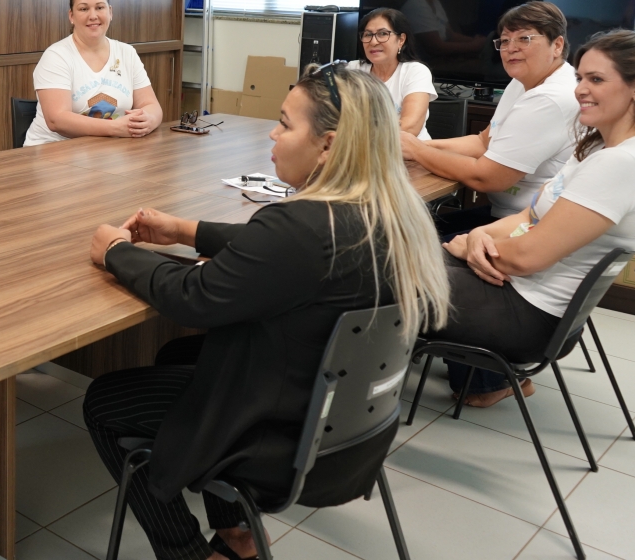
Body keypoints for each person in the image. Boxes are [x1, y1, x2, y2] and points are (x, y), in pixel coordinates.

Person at [83, 63, 450, 560]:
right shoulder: (390, 215)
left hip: (275, 436)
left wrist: (116, 252)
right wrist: (185, 230)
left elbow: (191, 296)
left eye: (284, 124)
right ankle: (237, 533)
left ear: (328, 144)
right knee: (176, 354)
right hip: (346, 427)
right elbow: (273, 248)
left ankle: (186, 551)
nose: (273, 135)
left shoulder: (301, 226)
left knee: (102, 401)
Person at [427, 30, 635, 407]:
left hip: (528, 315)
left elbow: (527, 257)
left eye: (596, 79)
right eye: (580, 77)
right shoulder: (597, 145)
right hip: (519, 294)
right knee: (398, 259)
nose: (581, 89)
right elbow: (530, 215)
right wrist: (479, 235)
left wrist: (470, 245)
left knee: (382, 274)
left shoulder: (625, 163)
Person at [401, 1, 580, 235]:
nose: (511, 48)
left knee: (401, 242)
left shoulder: (551, 98)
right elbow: (483, 142)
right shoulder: (522, 81)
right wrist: (417, 146)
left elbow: (486, 177)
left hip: (532, 227)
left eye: (524, 39)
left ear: (557, 45)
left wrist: (417, 151)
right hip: (508, 214)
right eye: (504, 41)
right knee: (403, 232)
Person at [23, 0, 163, 146]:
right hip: (53, 149)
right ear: (71, 16)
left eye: (100, 7)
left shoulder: (127, 53)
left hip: (106, 150)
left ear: (110, 12)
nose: (93, 15)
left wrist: (149, 120)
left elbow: (151, 105)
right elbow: (57, 120)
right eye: (84, 9)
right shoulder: (56, 56)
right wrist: (116, 128)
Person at [347, 7, 437, 138]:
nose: (373, 42)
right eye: (367, 34)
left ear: (401, 40)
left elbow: (410, 128)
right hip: (360, 147)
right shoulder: (353, 70)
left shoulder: (415, 72)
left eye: (383, 34)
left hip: (406, 150)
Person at [400, 0, 485, 60]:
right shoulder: (416, 5)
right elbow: (436, 47)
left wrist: (475, 40)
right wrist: (473, 46)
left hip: (437, 62)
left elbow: (450, 35)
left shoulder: (435, 2)